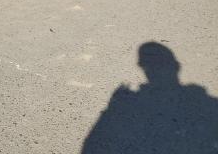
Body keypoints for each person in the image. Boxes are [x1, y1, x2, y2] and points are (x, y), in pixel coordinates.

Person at [82, 42, 218, 153]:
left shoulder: (128, 103)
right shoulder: (209, 103)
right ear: (176, 66)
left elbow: (91, 146)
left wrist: (112, 107)